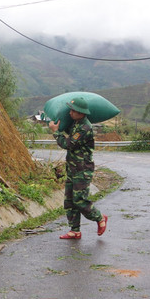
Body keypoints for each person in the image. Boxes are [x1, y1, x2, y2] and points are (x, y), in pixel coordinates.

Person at [48, 96, 108, 239]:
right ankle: (75, 230)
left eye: (73, 111)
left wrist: (55, 132)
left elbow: (68, 144)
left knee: (79, 200)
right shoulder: (75, 123)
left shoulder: (84, 128)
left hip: (82, 170)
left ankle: (99, 218)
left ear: (81, 113)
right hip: (73, 168)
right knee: (69, 201)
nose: (70, 113)